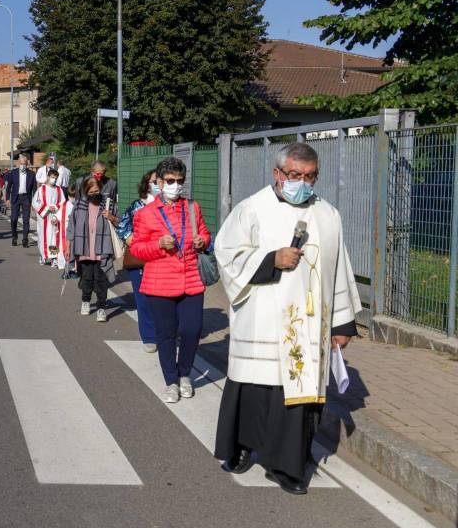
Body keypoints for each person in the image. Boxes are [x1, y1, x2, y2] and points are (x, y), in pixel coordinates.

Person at [214, 142, 361, 495]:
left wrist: (341, 325)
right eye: (296, 175)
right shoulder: (252, 209)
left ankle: (286, 465)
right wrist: (270, 260)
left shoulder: (328, 214)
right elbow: (226, 254)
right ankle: (241, 447)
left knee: (298, 396)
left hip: (308, 325)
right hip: (262, 318)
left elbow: (339, 268)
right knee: (254, 388)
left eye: (311, 176)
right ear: (277, 174)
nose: (303, 183)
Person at [129, 156, 211, 404]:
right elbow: (138, 250)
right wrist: (157, 244)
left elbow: (206, 234)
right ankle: (171, 380)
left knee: (192, 329)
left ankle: (185, 373)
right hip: (159, 282)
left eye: (180, 181)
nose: (176, 185)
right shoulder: (145, 213)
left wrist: (202, 241)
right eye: (171, 180)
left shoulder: (192, 207)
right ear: (161, 182)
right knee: (165, 334)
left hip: (191, 278)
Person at [118, 169, 162, 352]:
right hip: (140, 260)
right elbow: (122, 226)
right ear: (147, 184)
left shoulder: (169, 206)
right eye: (154, 181)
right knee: (143, 299)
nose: (158, 185)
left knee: (162, 299)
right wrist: (129, 238)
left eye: (160, 181)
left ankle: (165, 332)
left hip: (162, 259)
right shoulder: (137, 205)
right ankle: (149, 337)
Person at [65, 178, 116, 322]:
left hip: (102, 249)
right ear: (85, 192)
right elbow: (71, 226)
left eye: (97, 191)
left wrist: (111, 217)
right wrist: (68, 245)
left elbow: (120, 221)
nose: (94, 194)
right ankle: (85, 302)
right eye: (91, 191)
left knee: (101, 281)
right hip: (84, 249)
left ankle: (101, 308)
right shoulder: (79, 205)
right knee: (87, 279)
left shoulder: (108, 204)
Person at [32, 168, 68, 266]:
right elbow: (35, 202)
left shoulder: (59, 189)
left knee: (53, 237)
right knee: (43, 236)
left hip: (54, 216)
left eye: (56, 178)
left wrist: (56, 207)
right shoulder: (41, 189)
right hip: (44, 216)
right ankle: (43, 256)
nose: (54, 180)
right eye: (52, 178)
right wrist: (47, 208)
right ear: (48, 177)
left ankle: (53, 258)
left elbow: (63, 202)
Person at [4, 153, 34, 247]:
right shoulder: (13, 173)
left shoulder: (32, 174)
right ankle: (14, 236)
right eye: (21, 163)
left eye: (24, 164)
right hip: (15, 198)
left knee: (26, 220)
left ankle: (25, 239)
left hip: (26, 198)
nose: (23, 166)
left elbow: (35, 189)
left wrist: (34, 202)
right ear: (18, 163)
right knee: (14, 219)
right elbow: (8, 187)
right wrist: (7, 199)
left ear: (27, 164)